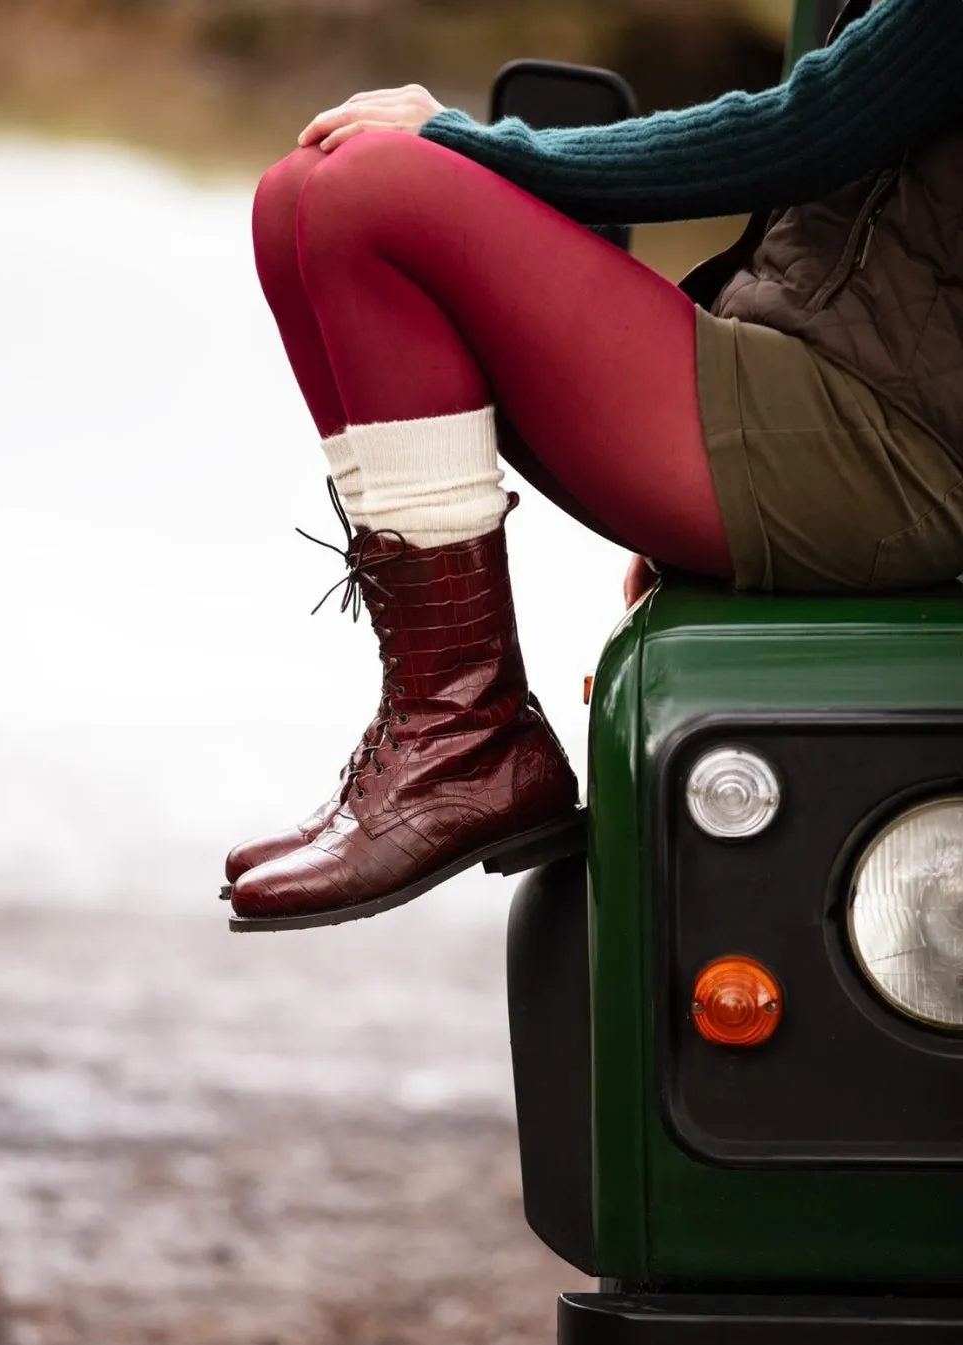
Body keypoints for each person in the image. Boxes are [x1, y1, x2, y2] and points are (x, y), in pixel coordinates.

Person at [227, 0, 963, 929]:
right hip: (806, 378)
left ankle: (467, 739)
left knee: (368, 191)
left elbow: (803, 130)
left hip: (886, 448)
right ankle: (438, 712)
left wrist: (492, 149)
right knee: (297, 197)